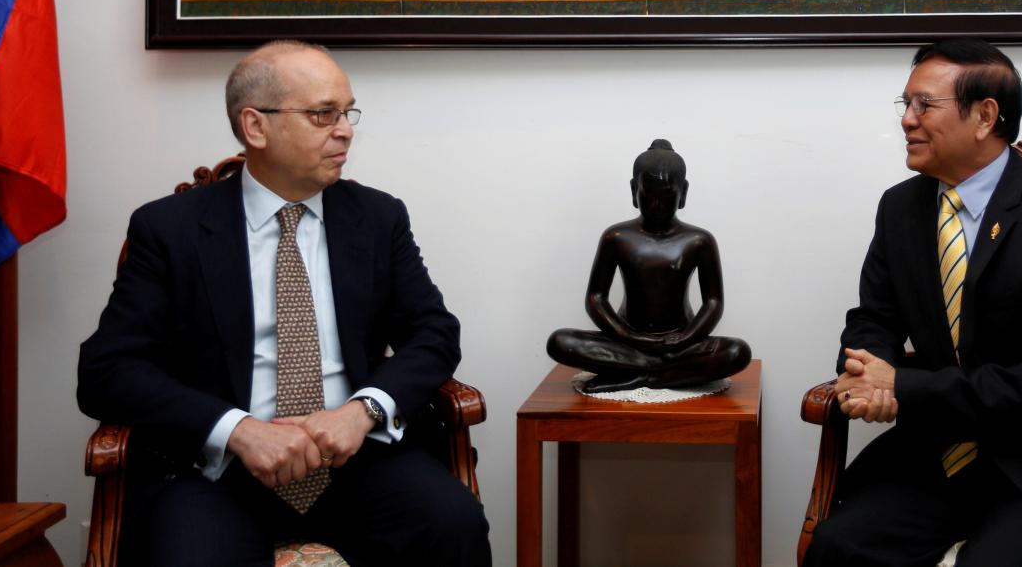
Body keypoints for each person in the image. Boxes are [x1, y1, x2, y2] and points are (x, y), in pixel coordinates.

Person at [77, 41, 491, 567]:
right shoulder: (170, 229)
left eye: (347, 113)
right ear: (255, 127)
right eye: (323, 114)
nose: (345, 130)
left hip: (357, 459)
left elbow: (433, 333)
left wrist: (361, 412)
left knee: (451, 522)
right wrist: (239, 431)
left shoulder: (377, 217)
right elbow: (106, 371)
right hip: (218, 472)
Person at [804, 38, 1022, 567]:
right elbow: (874, 316)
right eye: (904, 104)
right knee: (838, 548)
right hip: (936, 453)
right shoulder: (901, 207)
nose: (907, 120)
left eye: (924, 105)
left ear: (984, 116)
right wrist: (869, 368)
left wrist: (903, 387)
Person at [546, 139, 752, 393]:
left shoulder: (699, 241)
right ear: (634, 190)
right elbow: (596, 299)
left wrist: (685, 338)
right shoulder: (616, 237)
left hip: (680, 344)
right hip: (626, 342)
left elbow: (713, 303)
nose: (657, 205)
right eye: (648, 195)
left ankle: (642, 376)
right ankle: (662, 371)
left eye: (666, 197)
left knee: (737, 352)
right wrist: (632, 337)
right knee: (559, 342)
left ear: (683, 192)